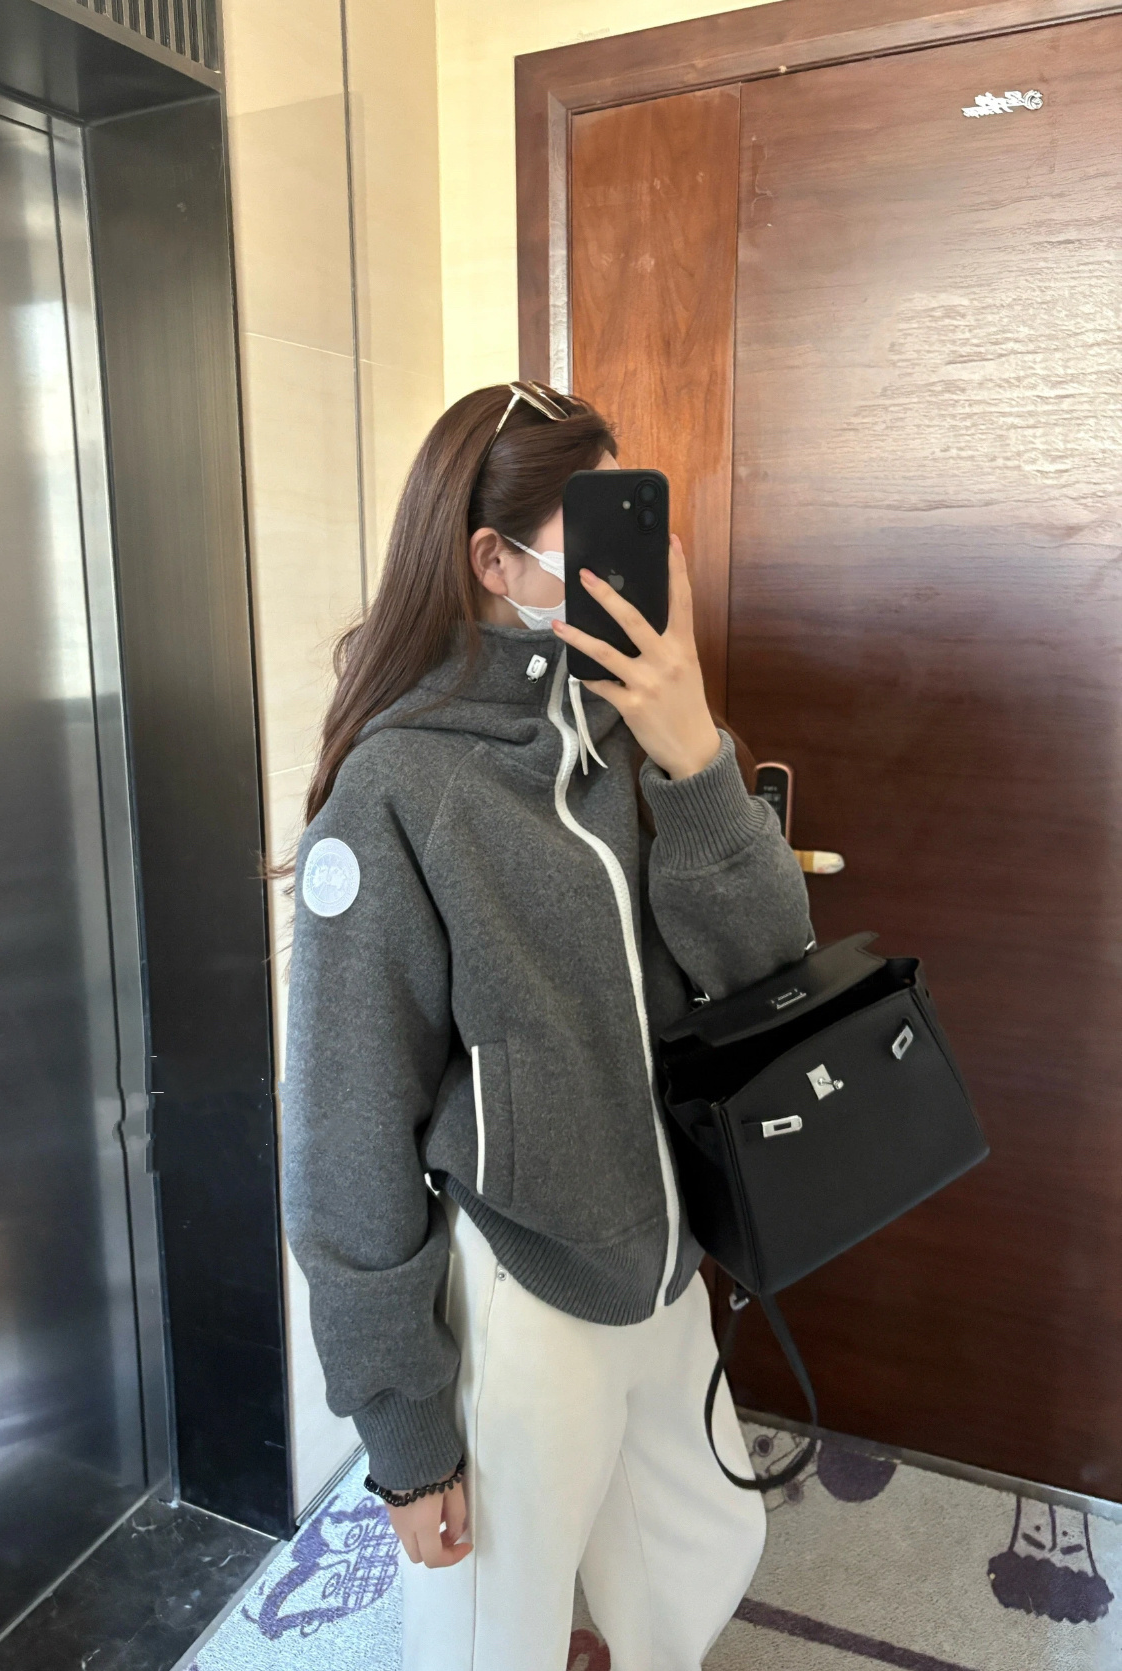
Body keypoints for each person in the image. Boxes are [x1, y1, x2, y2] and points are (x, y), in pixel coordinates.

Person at [283, 381, 812, 1671]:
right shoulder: (399, 785)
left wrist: (695, 756)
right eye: (603, 517)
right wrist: (407, 1437)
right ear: (495, 561)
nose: (650, 549)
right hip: (524, 1279)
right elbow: (346, 1138)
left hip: (667, 1255)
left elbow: (766, 964)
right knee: (494, 1633)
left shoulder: (637, 729)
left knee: (695, 1557)